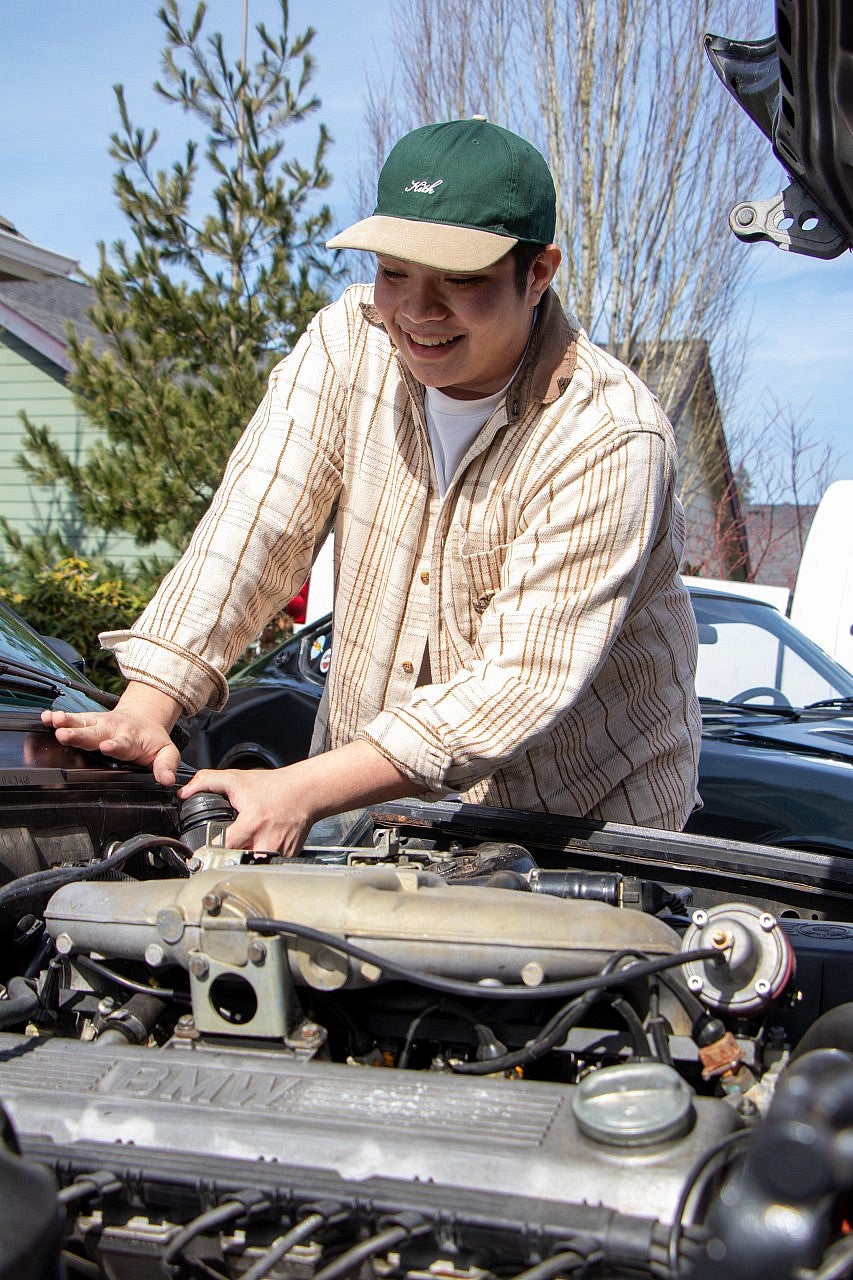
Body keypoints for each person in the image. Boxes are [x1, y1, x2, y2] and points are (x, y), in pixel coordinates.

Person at [42, 118, 701, 855]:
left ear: (538, 272)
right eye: (395, 272)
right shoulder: (347, 344)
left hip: (573, 820)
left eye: (462, 280)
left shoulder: (608, 433)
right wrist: (149, 705)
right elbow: (255, 528)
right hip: (370, 804)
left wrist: (304, 788)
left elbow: (521, 680)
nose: (418, 313)